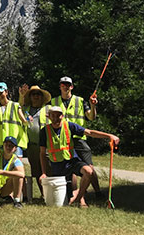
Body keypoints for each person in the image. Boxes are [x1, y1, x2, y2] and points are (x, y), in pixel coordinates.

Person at [39, 106, 120, 207]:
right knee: (63, 201)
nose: (55, 118)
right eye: (53, 115)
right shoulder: (44, 131)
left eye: (58, 115)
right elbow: (42, 153)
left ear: (62, 116)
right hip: (57, 165)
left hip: (72, 160)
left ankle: (79, 198)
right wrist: (43, 173)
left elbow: (89, 132)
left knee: (88, 172)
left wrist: (109, 136)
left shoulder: (69, 126)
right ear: (49, 117)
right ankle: (77, 198)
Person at [52, 77, 104, 205]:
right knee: (72, 170)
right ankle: (79, 197)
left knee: (89, 167)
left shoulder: (80, 101)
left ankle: (98, 192)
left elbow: (91, 117)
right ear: (60, 86)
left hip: (79, 138)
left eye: (68, 85)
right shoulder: (54, 101)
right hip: (63, 139)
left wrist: (92, 106)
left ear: (72, 87)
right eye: (63, 84)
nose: (65, 87)